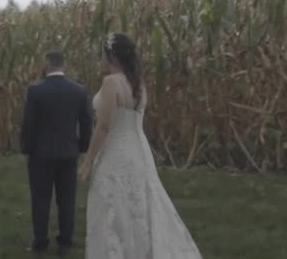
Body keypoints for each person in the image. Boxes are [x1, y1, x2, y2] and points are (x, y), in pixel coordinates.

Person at [78, 32, 203, 258]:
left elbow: (104, 126)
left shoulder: (111, 82)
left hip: (116, 150)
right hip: (138, 151)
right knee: (140, 203)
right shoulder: (139, 85)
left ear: (111, 56)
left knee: (112, 204)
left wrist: (87, 162)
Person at [20, 50, 93, 255]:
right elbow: (87, 122)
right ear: (64, 65)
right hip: (68, 153)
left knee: (40, 200)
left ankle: (41, 243)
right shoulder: (78, 91)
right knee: (67, 200)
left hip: (40, 154)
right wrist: (81, 147)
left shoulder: (36, 91)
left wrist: (27, 148)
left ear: (47, 65)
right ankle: (65, 243)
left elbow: (28, 125)